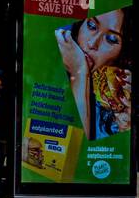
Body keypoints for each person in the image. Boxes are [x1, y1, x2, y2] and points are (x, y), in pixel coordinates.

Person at [56, 7, 131, 139]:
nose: (92, 43)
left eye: (111, 39)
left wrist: (121, 125)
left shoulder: (113, 100)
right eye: (91, 25)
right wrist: (78, 73)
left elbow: (83, 149)